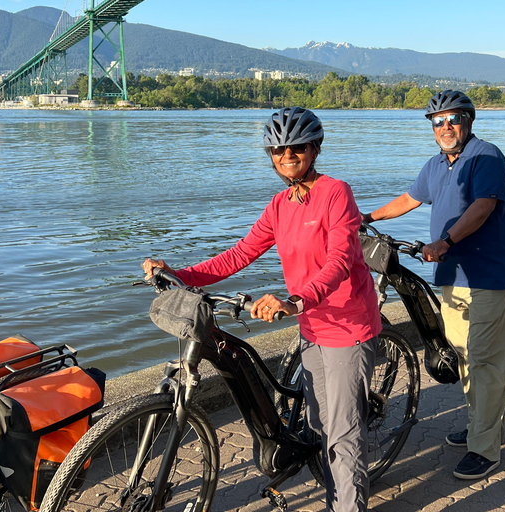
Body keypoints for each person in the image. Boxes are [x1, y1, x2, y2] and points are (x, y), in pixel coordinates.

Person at [143, 107, 382, 511]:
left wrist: (294, 300)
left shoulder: (335, 192)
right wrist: (181, 273)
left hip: (347, 326)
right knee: (318, 425)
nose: (287, 156)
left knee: (342, 434)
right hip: (311, 325)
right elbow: (240, 254)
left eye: (297, 148)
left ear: (315, 148)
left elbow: (340, 261)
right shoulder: (280, 204)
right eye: (278, 150)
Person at [362, 90, 505, 480]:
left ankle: (486, 448)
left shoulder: (486, 156)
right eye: (438, 122)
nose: (445, 127)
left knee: (485, 359)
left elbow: (483, 206)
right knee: (464, 354)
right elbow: (409, 199)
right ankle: (480, 423)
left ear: (469, 121)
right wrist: (366, 216)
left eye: (453, 119)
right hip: (452, 277)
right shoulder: (435, 165)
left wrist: (445, 242)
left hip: (488, 276)